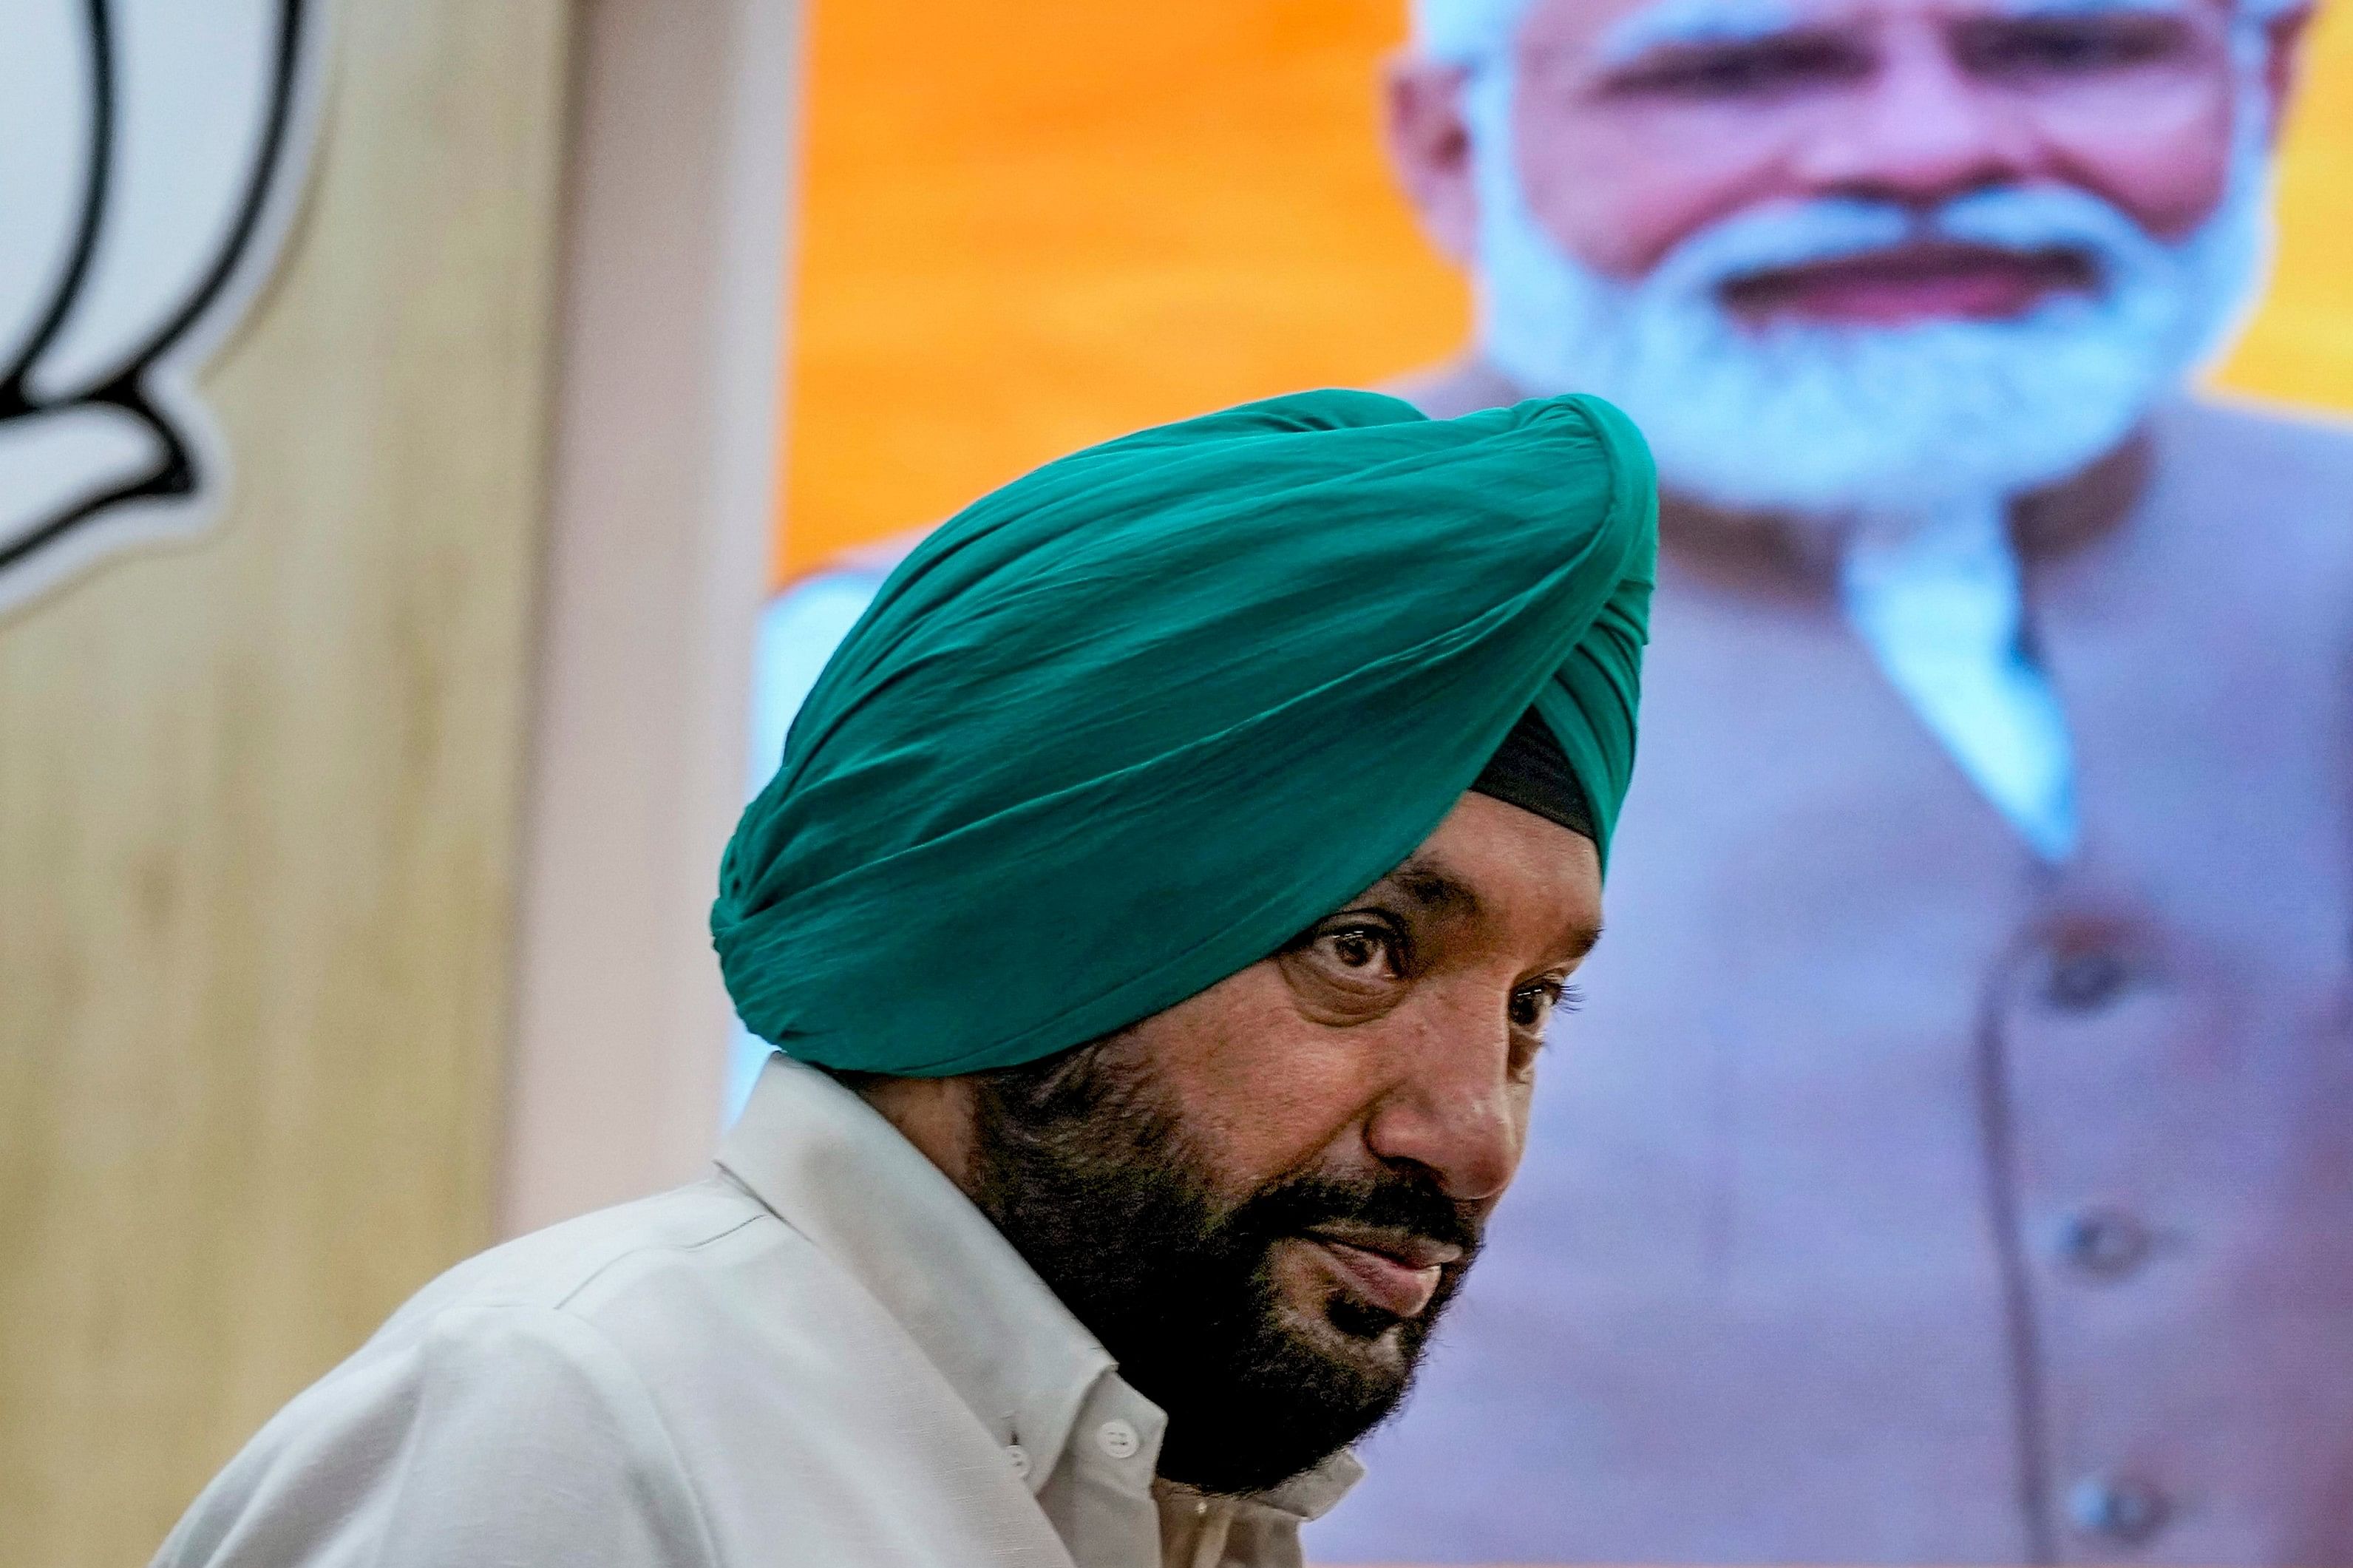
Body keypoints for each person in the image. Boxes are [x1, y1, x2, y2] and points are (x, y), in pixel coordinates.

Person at [1301, 0, 2353, 1563]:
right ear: (1452, 146)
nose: (1926, 151)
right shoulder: (1195, 632)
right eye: (1736, 67)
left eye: (2070, 48)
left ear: (2260, 79)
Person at [150, 389, 1658, 1568]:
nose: (1475, 1136)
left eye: (1531, 1004)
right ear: (1025, 929)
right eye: (1360, 947)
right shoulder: (581, 1432)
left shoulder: (1172, 1505)